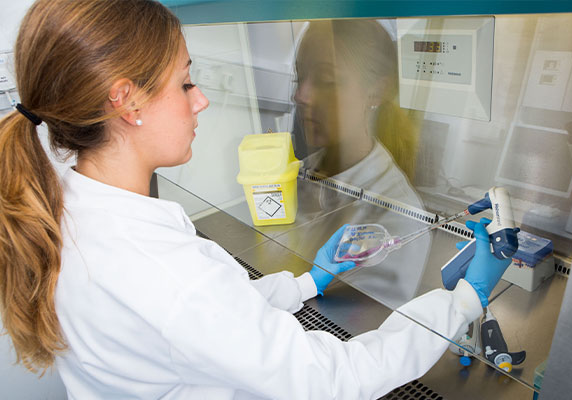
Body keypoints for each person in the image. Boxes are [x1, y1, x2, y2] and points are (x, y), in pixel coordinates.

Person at [0, 1, 510, 399]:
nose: (200, 99)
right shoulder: (163, 271)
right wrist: (464, 300)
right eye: (184, 82)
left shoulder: (65, 203)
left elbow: (208, 319)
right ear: (125, 101)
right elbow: (336, 379)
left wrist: (307, 282)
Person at [292, 20, 430, 307]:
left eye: (326, 80)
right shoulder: (302, 171)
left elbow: (353, 335)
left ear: (376, 92)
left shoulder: (399, 219)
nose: (301, 96)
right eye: (299, 77)